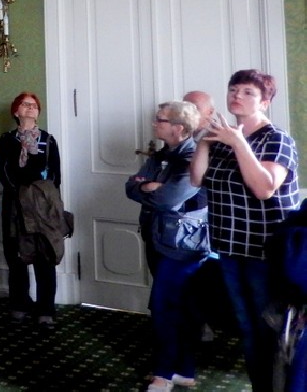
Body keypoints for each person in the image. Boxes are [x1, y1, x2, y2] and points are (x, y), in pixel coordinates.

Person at [190, 69, 300, 392]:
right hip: (229, 248)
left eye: (248, 92)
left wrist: (238, 142)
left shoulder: (276, 139)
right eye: (233, 89)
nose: (237, 95)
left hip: (266, 252)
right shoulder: (223, 139)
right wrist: (205, 142)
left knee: (271, 330)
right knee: (247, 327)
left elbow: (264, 188)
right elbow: (197, 179)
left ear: (265, 102)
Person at [126, 101, 210, 391]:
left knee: (166, 306)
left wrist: (154, 189)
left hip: (183, 244)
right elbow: (131, 186)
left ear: (179, 128)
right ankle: (183, 369)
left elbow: (168, 199)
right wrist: (146, 186)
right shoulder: (161, 154)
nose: (154, 123)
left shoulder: (192, 157)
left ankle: (164, 374)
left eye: (160, 120)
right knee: (174, 305)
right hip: (158, 236)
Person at [0, 92, 61, 324]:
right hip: (14, 204)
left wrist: (39, 196)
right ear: (16, 111)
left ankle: (46, 310)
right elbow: (3, 171)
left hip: (42, 207)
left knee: (44, 256)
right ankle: (19, 304)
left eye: (34, 105)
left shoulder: (48, 140)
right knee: (15, 255)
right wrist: (20, 192)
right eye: (25, 104)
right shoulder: (7, 140)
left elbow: (55, 176)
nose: (31, 108)